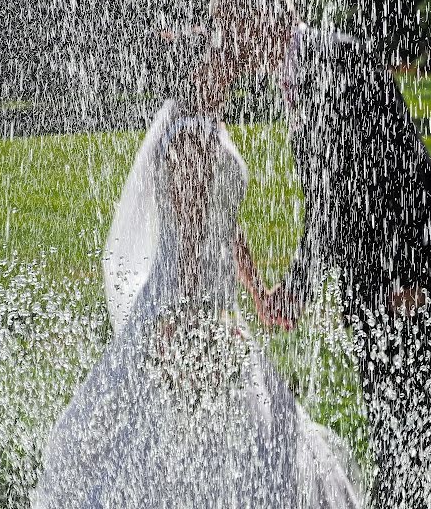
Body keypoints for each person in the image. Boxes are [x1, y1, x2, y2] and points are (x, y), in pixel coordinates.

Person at [208, 0, 431, 508]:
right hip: (372, 270)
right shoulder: (295, 75)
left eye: (232, 29)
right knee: (391, 412)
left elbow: (388, 172)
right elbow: (329, 195)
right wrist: (303, 284)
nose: (229, 46)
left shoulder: (340, 59)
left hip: (415, 264)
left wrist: (404, 276)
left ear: (261, 21)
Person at [32, 46, 361, 508]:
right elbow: (189, 234)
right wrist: (187, 315)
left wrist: (256, 289)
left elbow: (224, 220)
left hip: (211, 295)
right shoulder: (189, 135)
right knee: (179, 421)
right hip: (186, 299)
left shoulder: (212, 128)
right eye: (216, 62)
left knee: (233, 419)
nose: (232, 68)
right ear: (194, 72)